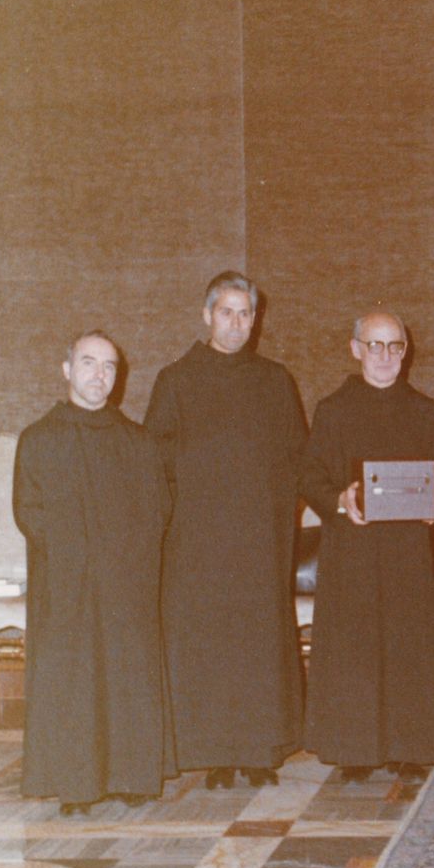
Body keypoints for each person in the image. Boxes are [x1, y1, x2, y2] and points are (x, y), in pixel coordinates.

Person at [145, 271, 308, 789]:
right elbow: (156, 461)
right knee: (209, 646)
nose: (236, 323)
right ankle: (214, 751)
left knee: (257, 645)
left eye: (245, 314)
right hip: (198, 543)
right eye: (226, 312)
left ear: (255, 320)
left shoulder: (274, 380)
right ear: (207, 314)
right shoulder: (177, 380)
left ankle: (259, 749)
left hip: (259, 539)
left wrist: (279, 527)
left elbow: (296, 460)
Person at [13, 331, 175, 815]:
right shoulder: (38, 439)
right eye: (89, 362)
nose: (98, 374)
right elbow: (29, 511)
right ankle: (76, 782)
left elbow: (158, 509)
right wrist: (77, 555)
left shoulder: (138, 441)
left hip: (127, 583)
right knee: (74, 677)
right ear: (67, 370)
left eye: (108, 366)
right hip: (66, 585)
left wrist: (125, 559)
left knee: (127, 673)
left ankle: (132, 776)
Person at [300, 311, 434, 782]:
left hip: (407, 553)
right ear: (356, 350)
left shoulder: (424, 411)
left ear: (405, 352)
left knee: (408, 643)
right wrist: (340, 499)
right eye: (375, 345)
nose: (385, 356)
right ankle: (355, 748)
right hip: (353, 549)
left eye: (394, 346)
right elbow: (309, 475)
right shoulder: (333, 410)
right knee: (355, 644)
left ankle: (410, 745)